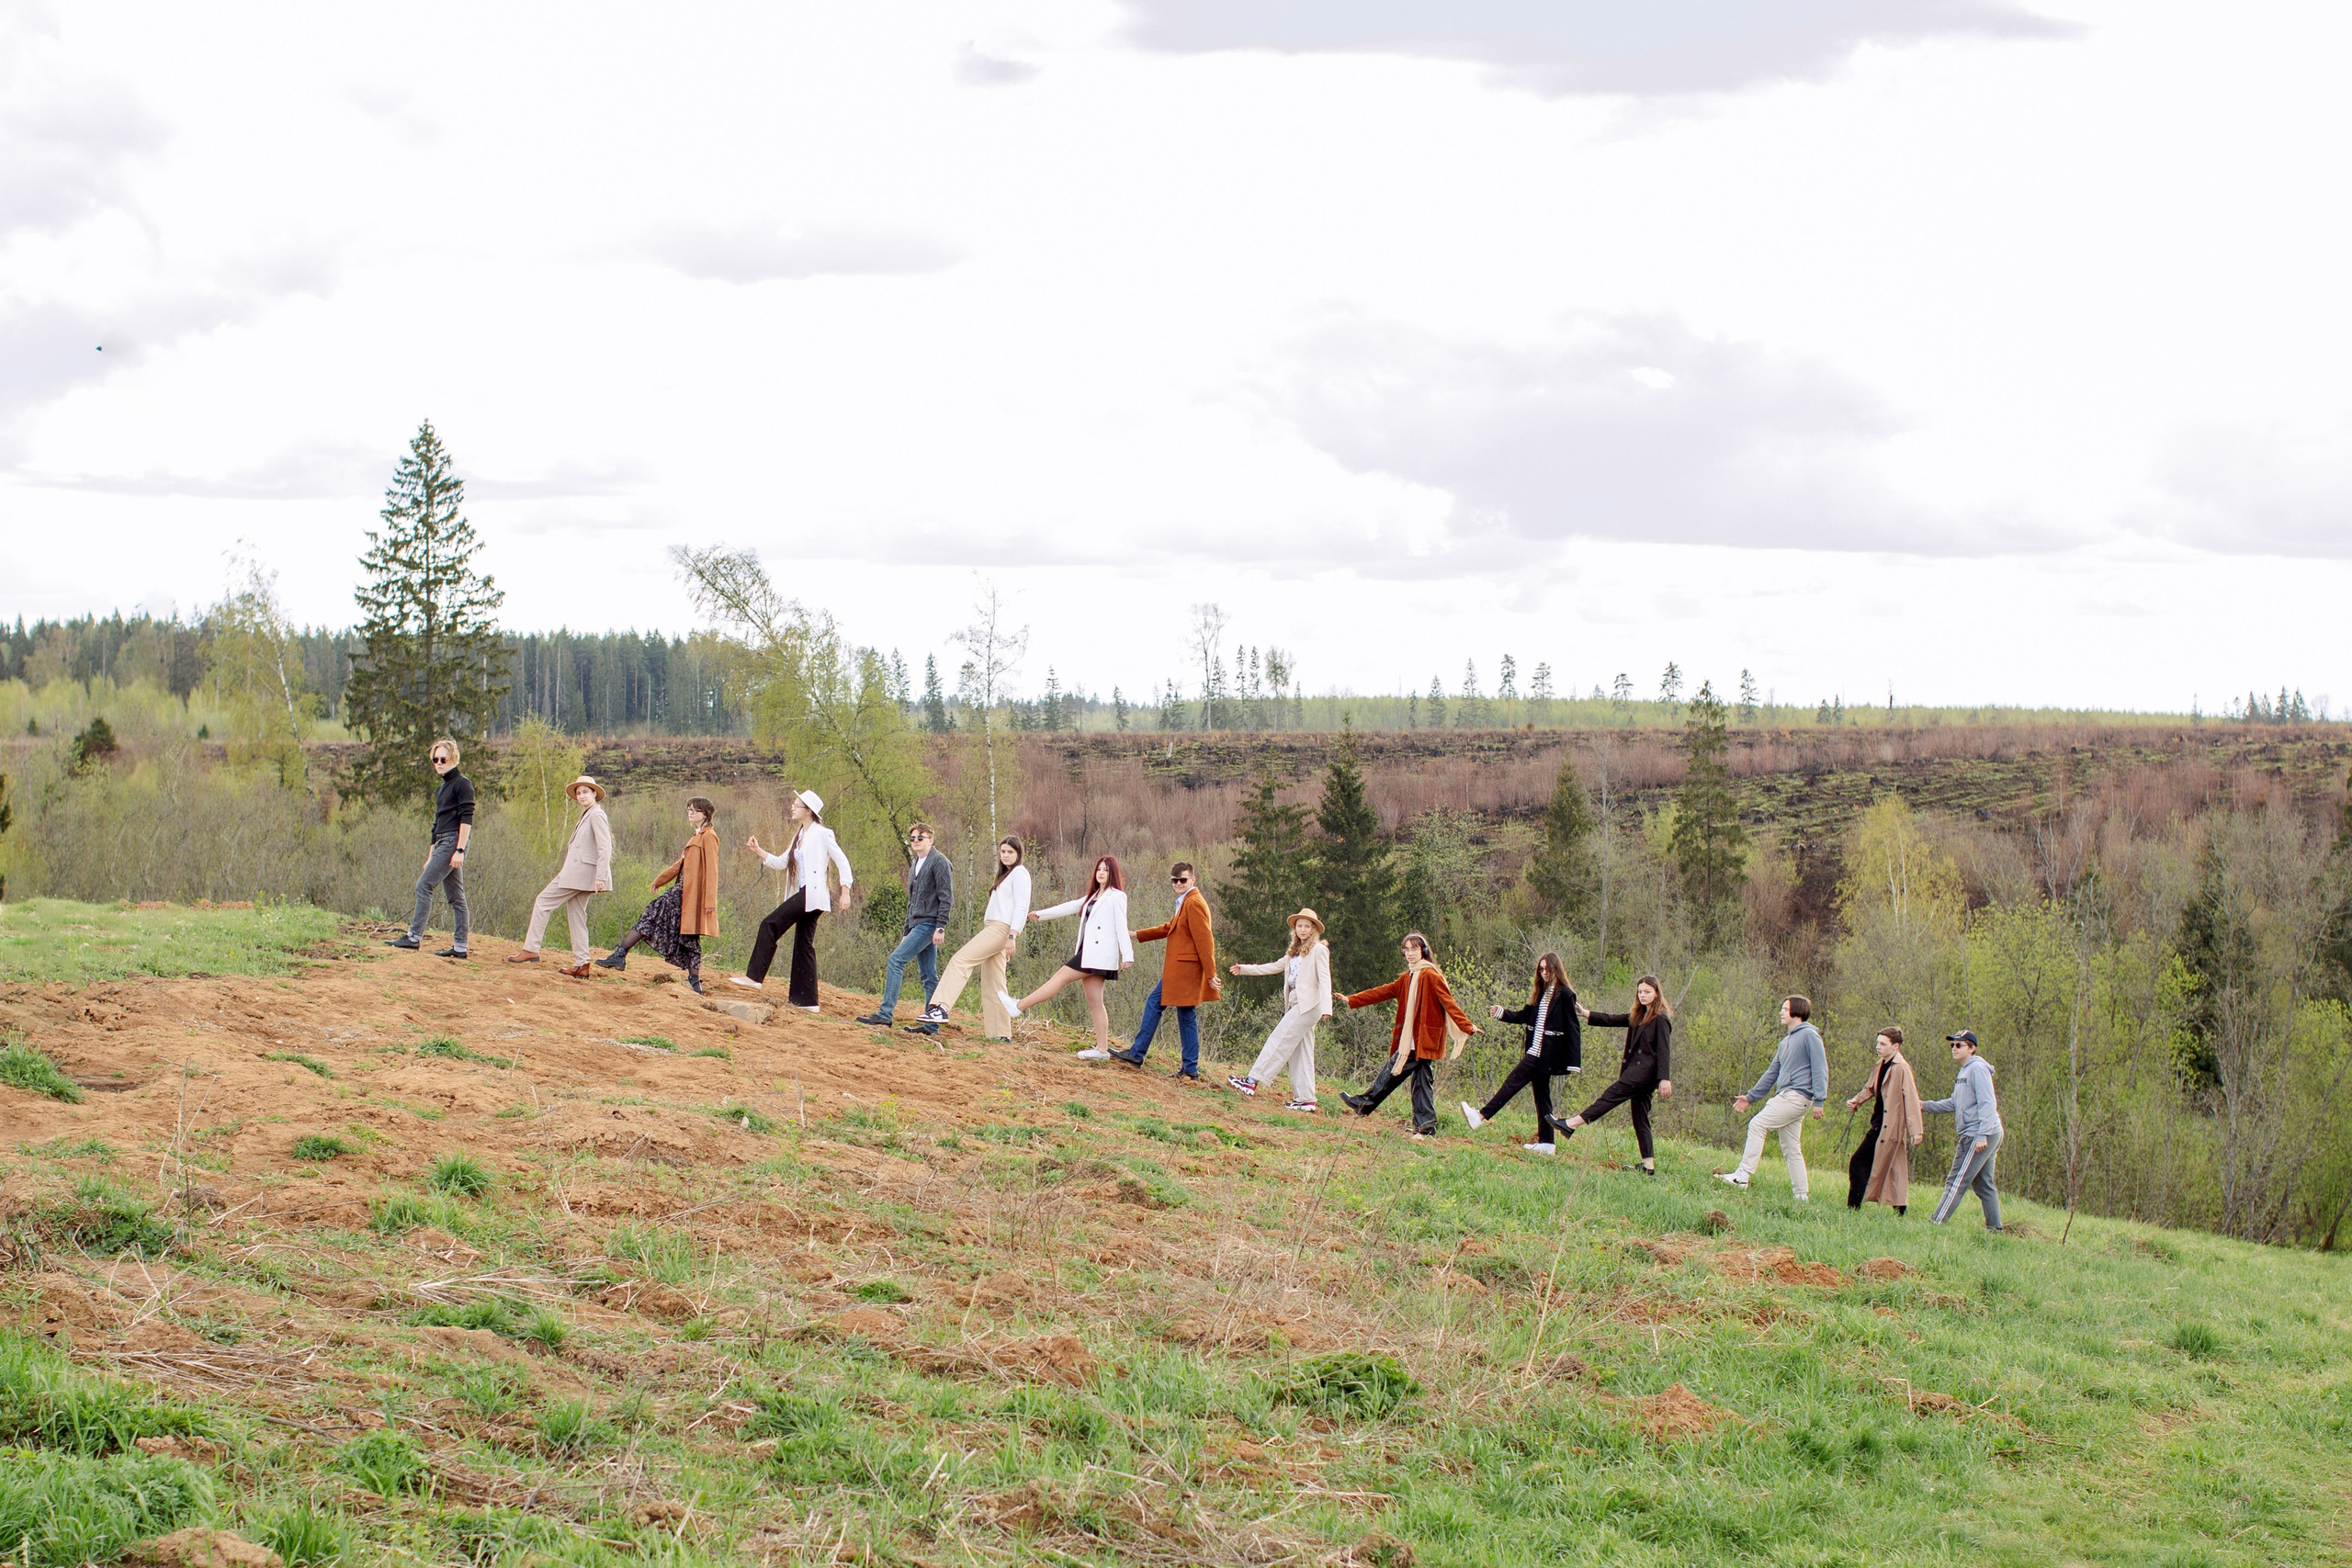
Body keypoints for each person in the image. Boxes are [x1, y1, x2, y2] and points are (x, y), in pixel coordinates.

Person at [1336, 933, 1479, 1139]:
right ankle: (1425, 1127)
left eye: (1414, 949)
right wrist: (1352, 1000)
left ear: (1424, 951)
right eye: (1407, 950)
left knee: (1393, 1070)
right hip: (1411, 1039)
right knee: (1421, 1081)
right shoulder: (1407, 978)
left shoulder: (1431, 975)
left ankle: (1364, 1104)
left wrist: (1467, 1026)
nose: (1410, 953)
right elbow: (1382, 992)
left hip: (1424, 1039)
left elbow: (1449, 1003)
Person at [732, 789, 854, 1011]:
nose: (792, 808)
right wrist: (758, 850)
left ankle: (754, 977)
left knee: (770, 924)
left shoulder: (823, 833)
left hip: (812, 894)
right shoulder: (799, 835)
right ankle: (807, 1002)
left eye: (796, 805)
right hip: (805, 894)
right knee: (804, 945)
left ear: (808, 811)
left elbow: (842, 861)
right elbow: (781, 862)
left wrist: (845, 891)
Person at [1000, 855, 1132, 1055]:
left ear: (1112, 873)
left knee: (1060, 976)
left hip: (1099, 955)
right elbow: (1069, 906)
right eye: (1099, 869)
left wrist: (1127, 955)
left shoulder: (1117, 896)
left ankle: (1018, 1006)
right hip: (1089, 953)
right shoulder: (1093, 896)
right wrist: (1041, 914)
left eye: (1105, 870)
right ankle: (1102, 1050)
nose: (1101, 873)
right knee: (1095, 1002)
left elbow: (1122, 926)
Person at [597, 795, 719, 993]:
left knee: (663, 918)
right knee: (685, 933)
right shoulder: (696, 835)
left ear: (704, 814)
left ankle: (620, 954)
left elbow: (712, 871)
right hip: (683, 891)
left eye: (693, 810)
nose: (689, 813)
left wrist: (709, 901)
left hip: (691, 895)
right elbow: (680, 865)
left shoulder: (709, 836)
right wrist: (660, 880)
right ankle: (694, 981)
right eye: (688, 809)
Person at [910, 837, 1030, 1038]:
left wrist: (1012, 936)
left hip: (1001, 929)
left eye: (1010, 852)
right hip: (996, 930)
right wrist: (1002, 942)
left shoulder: (1019, 873)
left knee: (960, 960)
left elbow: (1021, 906)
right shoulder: (1006, 875)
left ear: (1018, 854)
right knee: (994, 983)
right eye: (1003, 851)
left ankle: (941, 1007)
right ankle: (1000, 1034)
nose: (1006, 855)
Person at [1462, 952, 1580, 1155]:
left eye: (1547, 969)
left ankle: (1480, 1116)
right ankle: (1547, 1143)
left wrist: (1573, 1062)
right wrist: (1503, 1013)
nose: (1544, 973)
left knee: (1512, 1082)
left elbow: (1573, 1027)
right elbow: (1525, 1016)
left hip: (1545, 1055)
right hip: (1535, 1051)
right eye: (1541, 969)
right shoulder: (1541, 993)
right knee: (1542, 1097)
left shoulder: (1566, 994)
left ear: (1556, 969)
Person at [1109, 862, 1219, 1078]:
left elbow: (1205, 941)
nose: (1178, 883)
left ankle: (1138, 1054)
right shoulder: (1186, 901)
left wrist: (1211, 974)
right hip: (1182, 970)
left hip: (1185, 970)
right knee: (1185, 1014)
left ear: (1193, 880)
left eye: (1183, 880)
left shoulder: (1194, 902)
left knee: (1158, 1004)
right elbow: (1170, 928)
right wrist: (1137, 934)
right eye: (1174, 880)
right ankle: (1189, 1068)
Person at [1556, 976, 1673, 1174]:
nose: (1642, 995)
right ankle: (1648, 1166)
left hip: (1643, 1075)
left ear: (1656, 993)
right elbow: (1612, 1019)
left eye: (1647, 992)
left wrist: (1665, 1078)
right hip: (1636, 1073)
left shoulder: (1661, 1018)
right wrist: (1585, 1013)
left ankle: (1571, 1124)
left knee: (1609, 1097)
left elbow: (1664, 1050)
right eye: (1640, 992)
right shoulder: (1639, 1014)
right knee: (1640, 1118)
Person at [1718, 996, 1830, 1199]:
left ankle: (1742, 1176)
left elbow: (1820, 1067)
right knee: (1791, 1148)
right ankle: (1801, 1196)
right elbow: (1772, 1073)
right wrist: (1750, 1097)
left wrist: (1819, 1099)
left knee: (1758, 1124)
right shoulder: (1785, 1042)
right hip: (1787, 1096)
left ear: (1797, 1012)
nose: (1781, 1012)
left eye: (1785, 1009)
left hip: (1796, 1097)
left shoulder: (1810, 1036)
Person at [1224, 908, 1331, 1111]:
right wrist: (1244, 969)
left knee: (1279, 1038)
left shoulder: (1319, 950)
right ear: (1295, 929)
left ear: (1314, 929)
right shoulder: (1294, 952)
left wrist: (1327, 1007)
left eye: (1307, 926)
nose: (1303, 929)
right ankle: (1306, 1099)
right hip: (1296, 1003)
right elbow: (1272, 967)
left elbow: (1325, 979)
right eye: (1299, 926)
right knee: (1301, 1051)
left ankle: (1252, 1081)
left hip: (1309, 1005)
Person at [509, 775, 612, 977]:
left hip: (581, 874)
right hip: (580, 874)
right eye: (579, 793)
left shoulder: (596, 814)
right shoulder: (588, 814)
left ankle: (531, 949)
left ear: (594, 793)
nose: (581, 796)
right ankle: (582, 965)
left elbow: (605, 846)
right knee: (576, 915)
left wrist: (600, 876)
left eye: (585, 792)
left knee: (543, 901)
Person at [386, 738, 474, 958]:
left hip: (453, 841)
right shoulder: (442, 788)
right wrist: (431, 854)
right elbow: (437, 824)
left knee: (424, 886)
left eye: (443, 759)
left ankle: (413, 937)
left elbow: (467, 818)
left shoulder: (462, 784)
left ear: (454, 758)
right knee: (456, 897)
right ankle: (460, 947)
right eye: (435, 760)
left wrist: (460, 850)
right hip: (443, 842)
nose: (439, 763)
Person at [859, 823, 954, 1026]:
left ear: (931, 840)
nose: (916, 841)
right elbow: (911, 902)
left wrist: (941, 926)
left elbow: (946, 897)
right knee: (929, 975)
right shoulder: (915, 865)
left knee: (896, 960)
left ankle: (885, 1014)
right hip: (917, 924)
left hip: (929, 924)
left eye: (920, 837)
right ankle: (931, 1026)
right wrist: (906, 931)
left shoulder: (940, 862)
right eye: (912, 838)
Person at [1922, 1028, 2004, 1230]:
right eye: (1952, 1045)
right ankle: (1995, 1230)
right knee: (1984, 1185)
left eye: (1959, 1045)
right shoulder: (1965, 1070)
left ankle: (1936, 1223)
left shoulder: (1977, 1069)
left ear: (1972, 1048)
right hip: (1986, 1132)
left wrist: (1982, 1135)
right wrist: (1924, 1106)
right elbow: (1954, 1103)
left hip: (1979, 1134)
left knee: (1956, 1181)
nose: (1954, 1048)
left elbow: (1988, 1103)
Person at [1845, 1026, 1923, 1215]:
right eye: (1878, 1043)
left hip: (1890, 1127)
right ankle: (1899, 1212)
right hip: (1879, 1123)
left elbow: (1911, 1099)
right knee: (1894, 1169)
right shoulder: (1881, 1064)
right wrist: (1857, 1100)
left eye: (1883, 1044)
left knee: (1858, 1161)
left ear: (1896, 1046)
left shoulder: (1902, 1068)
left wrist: (1916, 1131)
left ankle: (1853, 1208)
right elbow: (1871, 1088)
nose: (1878, 1047)